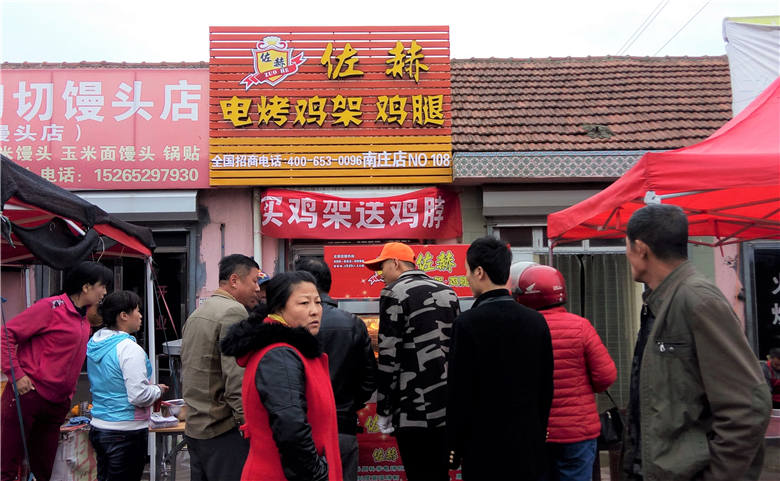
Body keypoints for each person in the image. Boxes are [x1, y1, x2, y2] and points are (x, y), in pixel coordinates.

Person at [623, 204, 771, 481]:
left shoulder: (697, 300)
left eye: (627, 245)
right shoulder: (662, 300)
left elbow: (749, 406)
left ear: (641, 248)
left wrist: (717, 475)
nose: (627, 254)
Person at [447, 237, 554, 480]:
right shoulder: (536, 321)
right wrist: (538, 432)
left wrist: (454, 446)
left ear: (479, 272)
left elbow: (458, 392)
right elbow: (545, 387)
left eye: (468, 271)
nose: (467, 277)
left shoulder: (466, 324)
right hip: (527, 445)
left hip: (482, 447)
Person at [220, 271, 343, 481]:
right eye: (303, 303)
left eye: (318, 302)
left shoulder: (296, 350)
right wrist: (318, 473)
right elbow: (290, 428)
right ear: (279, 307)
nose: (314, 311)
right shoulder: (279, 356)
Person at [1, 261, 112, 481]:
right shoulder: (50, 307)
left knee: (43, 468)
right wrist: (17, 375)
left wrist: (68, 395)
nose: (105, 292)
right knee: (8, 464)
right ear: (86, 287)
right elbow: (6, 335)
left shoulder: (84, 318)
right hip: (28, 395)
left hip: (56, 403)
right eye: (103, 286)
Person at [363, 242, 460, 481]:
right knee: (440, 473)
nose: (381, 274)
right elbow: (456, 348)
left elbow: (389, 355)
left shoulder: (393, 292)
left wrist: (384, 409)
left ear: (395, 263)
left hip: (412, 408)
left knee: (418, 473)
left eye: (382, 267)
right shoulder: (448, 292)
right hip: (446, 405)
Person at [511, 263, 617, 481]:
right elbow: (605, 378)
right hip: (577, 433)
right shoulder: (581, 327)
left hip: (534, 432)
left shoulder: (518, 330)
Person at [295, 258, 377, 481]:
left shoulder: (289, 323)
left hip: (301, 428)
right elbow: (370, 378)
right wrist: (350, 404)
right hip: (342, 426)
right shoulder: (352, 323)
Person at [181, 254, 261, 481]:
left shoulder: (199, 312)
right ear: (234, 280)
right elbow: (236, 379)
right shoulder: (233, 311)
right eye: (254, 281)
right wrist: (248, 423)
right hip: (221, 429)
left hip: (196, 425)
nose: (257, 288)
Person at [87, 290, 169, 481]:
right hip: (125, 431)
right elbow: (138, 396)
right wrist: (157, 390)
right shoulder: (129, 349)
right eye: (137, 310)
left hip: (99, 427)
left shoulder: (96, 342)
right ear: (123, 315)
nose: (140, 316)